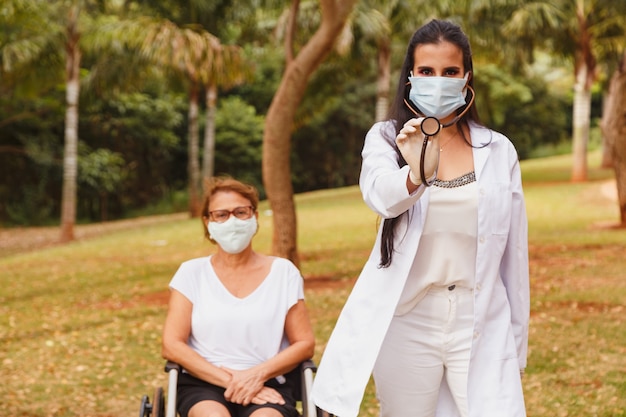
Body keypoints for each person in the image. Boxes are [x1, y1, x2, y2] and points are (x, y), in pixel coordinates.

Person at [311, 19, 529, 417]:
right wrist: (415, 173)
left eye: (450, 72)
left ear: (466, 78)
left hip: (479, 315)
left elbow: (514, 253)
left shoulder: (498, 150)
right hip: (409, 319)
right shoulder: (386, 138)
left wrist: (517, 340)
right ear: (410, 76)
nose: (438, 81)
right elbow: (381, 197)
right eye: (427, 71)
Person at [162, 176, 315, 417]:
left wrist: (256, 376)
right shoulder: (191, 273)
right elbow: (172, 345)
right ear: (208, 222)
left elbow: (304, 344)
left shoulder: (283, 272)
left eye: (240, 212)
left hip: (269, 382)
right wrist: (235, 381)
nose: (231, 221)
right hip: (203, 382)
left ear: (254, 216)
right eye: (221, 215)